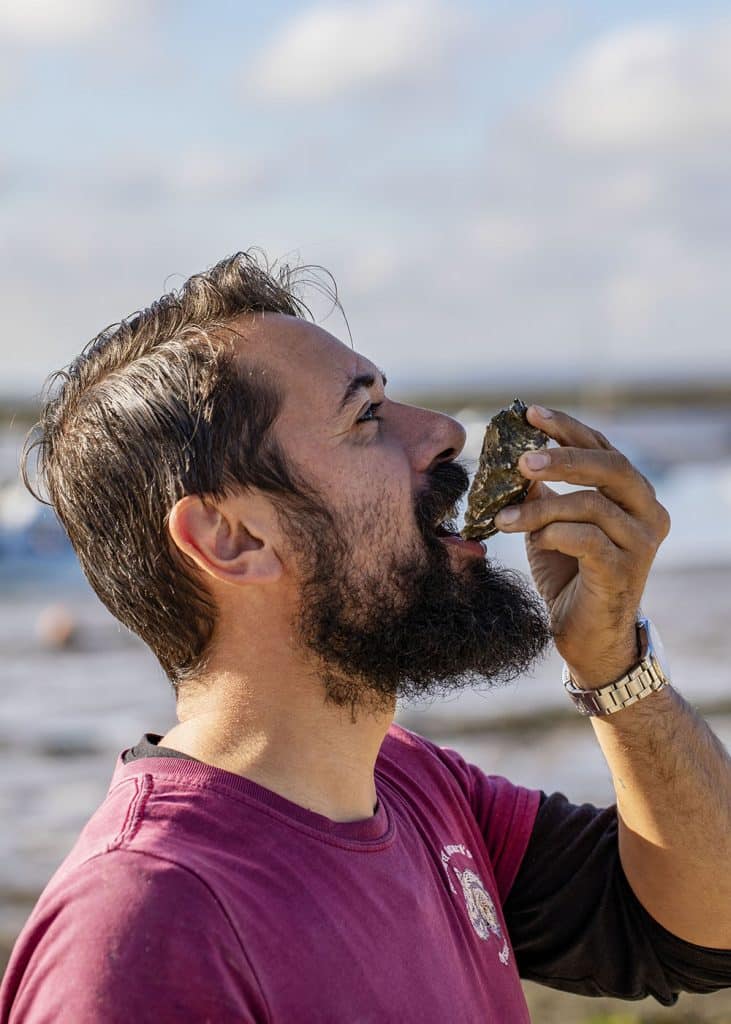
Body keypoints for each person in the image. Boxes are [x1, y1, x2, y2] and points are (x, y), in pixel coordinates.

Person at [1, 252, 729, 1023]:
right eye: (366, 417)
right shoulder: (143, 929)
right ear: (232, 537)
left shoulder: (413, 787)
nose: (447, 434)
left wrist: (612, 659)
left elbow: (697, 924)